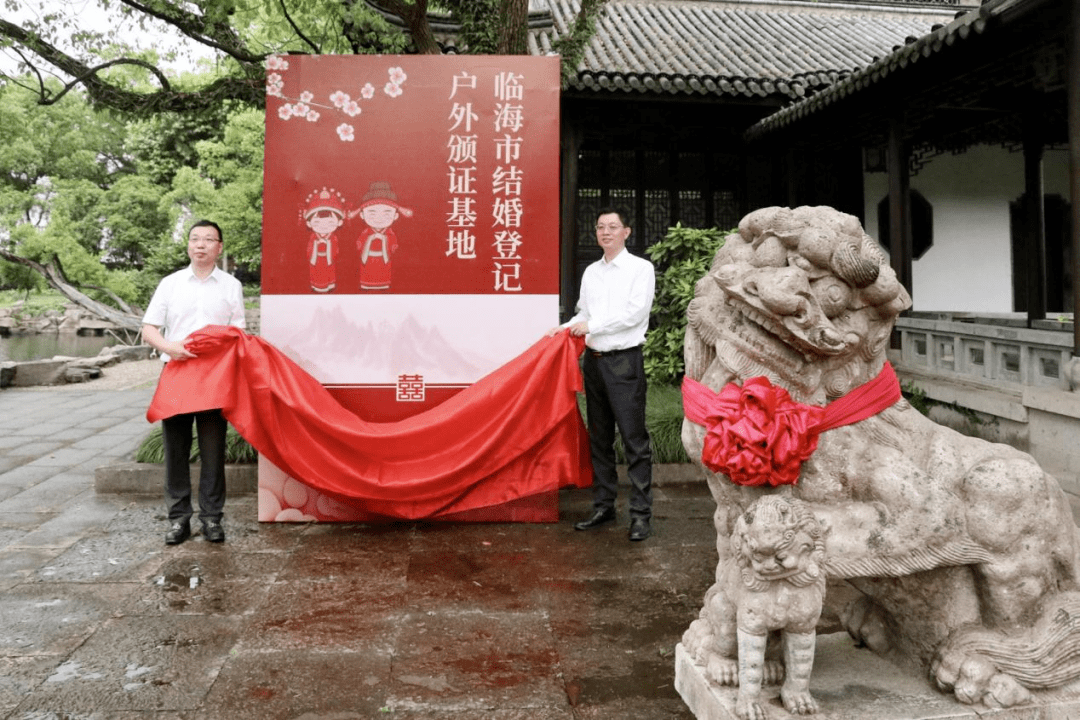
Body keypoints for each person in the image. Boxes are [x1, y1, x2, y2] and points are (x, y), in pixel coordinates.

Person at [548, 208, 656, 541]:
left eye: (612, 227)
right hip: (594, 363)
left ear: (627, 232)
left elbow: (634, 314)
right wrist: (564, 329)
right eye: (600, 227)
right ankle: (604, 505)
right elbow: (584, 312)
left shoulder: (641, 269)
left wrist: (590, 326)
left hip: (624, 361)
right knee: (600, 438)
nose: (605, 232)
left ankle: (640, 515)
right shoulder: (592, 272)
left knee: (634, 441)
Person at [141, 220, 246, 545]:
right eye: (195, 239)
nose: (200, 244)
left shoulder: (230, 286)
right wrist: (170, 347)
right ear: (188, 245)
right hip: (177, 372)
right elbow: (149, 328)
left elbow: (237, 331)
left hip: (214, 377)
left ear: (219, 247)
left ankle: (212, 519)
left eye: (208, 239)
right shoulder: (170, 284)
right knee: (176, 448)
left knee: (213, 450)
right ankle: (178, 520)